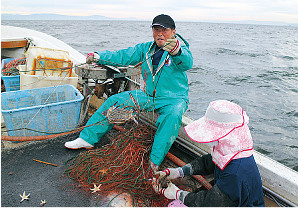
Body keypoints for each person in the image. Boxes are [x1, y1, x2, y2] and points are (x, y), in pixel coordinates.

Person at [65, 14, 193, 172]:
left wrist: (177, 51)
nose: (160, 33)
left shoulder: (180, 49)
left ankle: (154, 162)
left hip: (174, 99)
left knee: (172, 116)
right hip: (148, 96)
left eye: (164, 30)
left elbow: (187, 62)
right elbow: (123, 56)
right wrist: (100, 57)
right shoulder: (146, 49)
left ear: (173, 32)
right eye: (156, 29)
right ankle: (87, 138)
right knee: (114, 101)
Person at [154, 100, 265, 207]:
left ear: (226, 136)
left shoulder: (235, 174)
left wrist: (177, 194)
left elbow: (207, 203)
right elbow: (209, 162)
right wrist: (179, 172)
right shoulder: (231, 151)